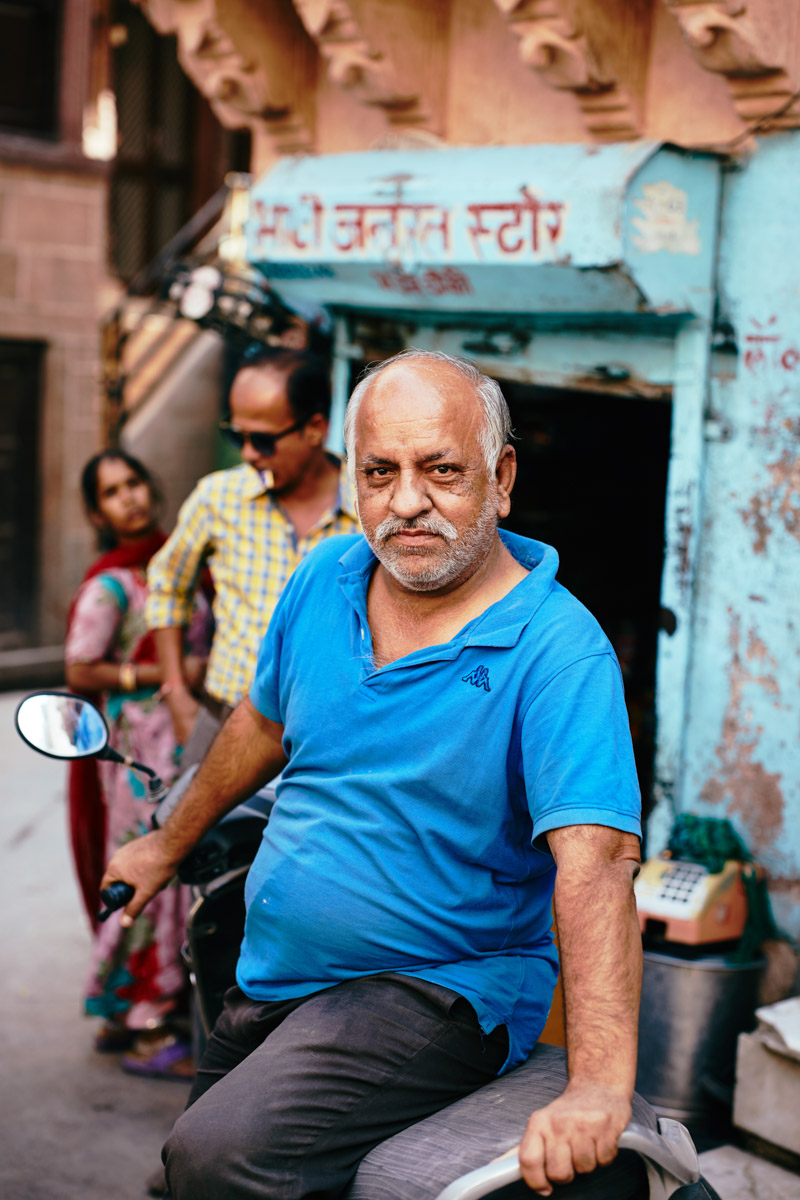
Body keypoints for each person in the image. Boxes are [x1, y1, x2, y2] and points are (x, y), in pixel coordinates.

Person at [102, 349, 649, 1198]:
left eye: (441, 470)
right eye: (379, 472)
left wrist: (599, 1087)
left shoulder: (557, 650)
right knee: (183, 1169)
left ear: (501, 478)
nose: (405, 503)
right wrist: (163, 847)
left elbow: (598, 862)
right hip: (274, 968)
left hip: (430, 988)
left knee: (220, 1158)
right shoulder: (326, 576)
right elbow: (263, 720)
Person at [65, 451, 211, 1075]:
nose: (129, 498)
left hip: (190, 744)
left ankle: (153, 1001)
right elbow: (79, 667)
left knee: (181, 875)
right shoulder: (111, 583)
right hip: (136, 754)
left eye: (134, 483)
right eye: (112, 492)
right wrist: (166, 673)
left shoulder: (182, 565)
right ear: (98, 511)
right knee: (147, 875)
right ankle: (142, 1017)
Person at [145, 346, 360, 758]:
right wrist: (175, 694)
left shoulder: (369, 505)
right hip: (222, 720)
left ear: (315, 428)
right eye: (235, 435)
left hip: (331, 738)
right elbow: (167, 586)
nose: (246, 453)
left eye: (262, 440)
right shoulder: (217, 498)